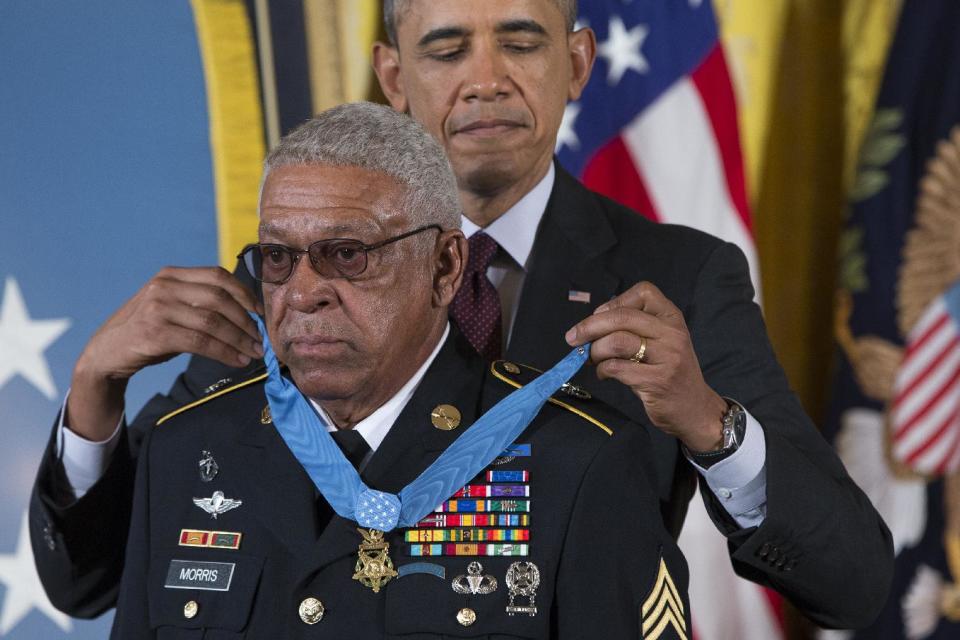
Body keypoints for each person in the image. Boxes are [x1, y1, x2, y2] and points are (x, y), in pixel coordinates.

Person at [31, 0, 893, 629]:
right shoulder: (290, 286)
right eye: (447, 49)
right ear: (395, 77)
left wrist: (712, 425)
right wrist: (92, 397)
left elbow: (850, 584)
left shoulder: (677, 277)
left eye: (520, 41)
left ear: (580, 61)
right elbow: (92, 583)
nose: (486, 80)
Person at [107, 102, 690, 639]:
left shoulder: (579, 462)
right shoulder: (184, 449)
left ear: (444, 267)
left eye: (347, 255)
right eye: (279, 258)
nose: (303, 294)